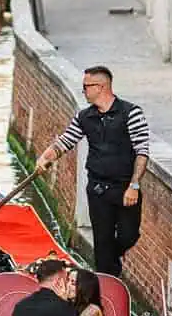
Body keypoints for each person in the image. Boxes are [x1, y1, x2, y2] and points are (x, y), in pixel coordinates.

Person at [34, 65, 150, 278]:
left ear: (101, 87)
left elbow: (142, 152)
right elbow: (65, 142)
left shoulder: (131, 113)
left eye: (87, 87)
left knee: (128, 236)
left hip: (125, 187)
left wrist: (134, 185)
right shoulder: (84, 117)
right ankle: (108, 285)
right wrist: (45, 157)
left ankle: (110, 263)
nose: (84, 91)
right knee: (102, 243)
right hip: (97, 189)